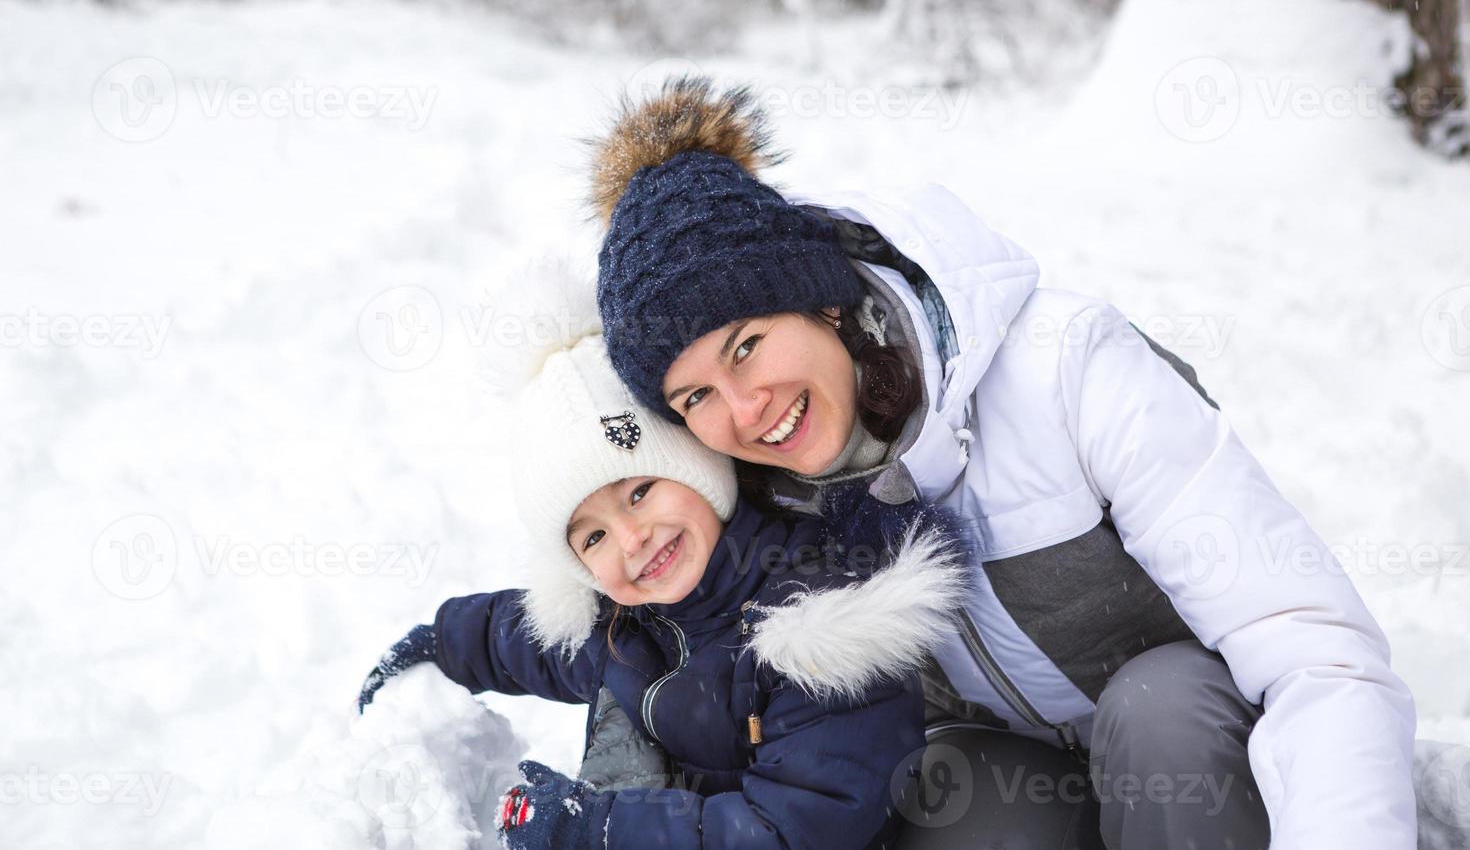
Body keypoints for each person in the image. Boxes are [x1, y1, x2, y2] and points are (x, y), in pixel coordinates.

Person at [584, 76, 1419, 848]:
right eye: (693, 397)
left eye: (748, 347)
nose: (744, 411)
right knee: (939, 798)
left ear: (821, 299)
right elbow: (655, 639)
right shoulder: (757, 497)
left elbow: (1314, 652)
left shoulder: (1065, 369)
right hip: (1019, 775)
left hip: (1206, 766)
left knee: (1163, 707)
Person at [356, 269, 968, 849]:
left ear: (702, 472)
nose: (631, 540)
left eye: (641, 493)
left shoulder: (816, 625)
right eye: (591, 537)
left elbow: (788, 834)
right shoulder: (631, 620)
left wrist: (595, 830)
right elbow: (524, 640)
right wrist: (438, 642)